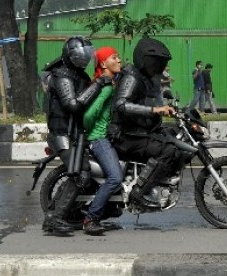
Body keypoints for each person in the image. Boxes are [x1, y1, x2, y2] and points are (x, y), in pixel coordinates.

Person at [42, 36, 110, 233]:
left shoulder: (80, 76)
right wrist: (98, 85)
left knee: (90, 171)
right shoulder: (61, 75)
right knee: (80, 173)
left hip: (78, 134)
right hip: (62, 134)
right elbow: (72, 105)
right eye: (80, 57)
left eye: (86, 56)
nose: (84, 60)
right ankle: (54, 218)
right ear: (70, 56)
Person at [107, 38, 178, 207]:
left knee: (171, 137)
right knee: (167, 150)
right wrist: (154, 111)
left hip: (136, 132)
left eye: (159, 63)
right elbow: (121, 105)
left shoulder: (144, 77)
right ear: (143, 60)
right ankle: (139, 191)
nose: (156, 66)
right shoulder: (132, 77)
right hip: (124, 136)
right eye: (154, 62)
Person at [82, 46, 123, 235]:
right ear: (103, 63)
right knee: (115, 177)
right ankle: (91, 218)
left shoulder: (110, 82)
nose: (119, 61)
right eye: (114, 58)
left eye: (119, 57)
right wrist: (93, 130)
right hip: (98, 138)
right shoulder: (106, 86)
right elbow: (89, 114)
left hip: (102, 136)